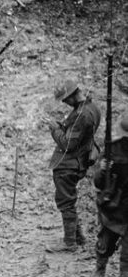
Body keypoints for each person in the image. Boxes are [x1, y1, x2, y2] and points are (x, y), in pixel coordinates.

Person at [45, 79, 102, 253]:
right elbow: (77, 135)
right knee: (68, 199)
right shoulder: (91, 108)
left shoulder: (82, 114)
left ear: (71, 96)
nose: (64, 102)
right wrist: (63, 126)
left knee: (65, 202)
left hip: (69, 164)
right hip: (77, 161)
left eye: (64, 99)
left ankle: (69, 242)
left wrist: (55, 129)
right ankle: (78, 237)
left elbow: (68, 144)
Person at [85, 113, 128, 277]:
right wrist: (102, 170)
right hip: (113, 207)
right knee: (105, 243)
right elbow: (98, 182)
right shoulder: (112, 148)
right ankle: (99, 270)